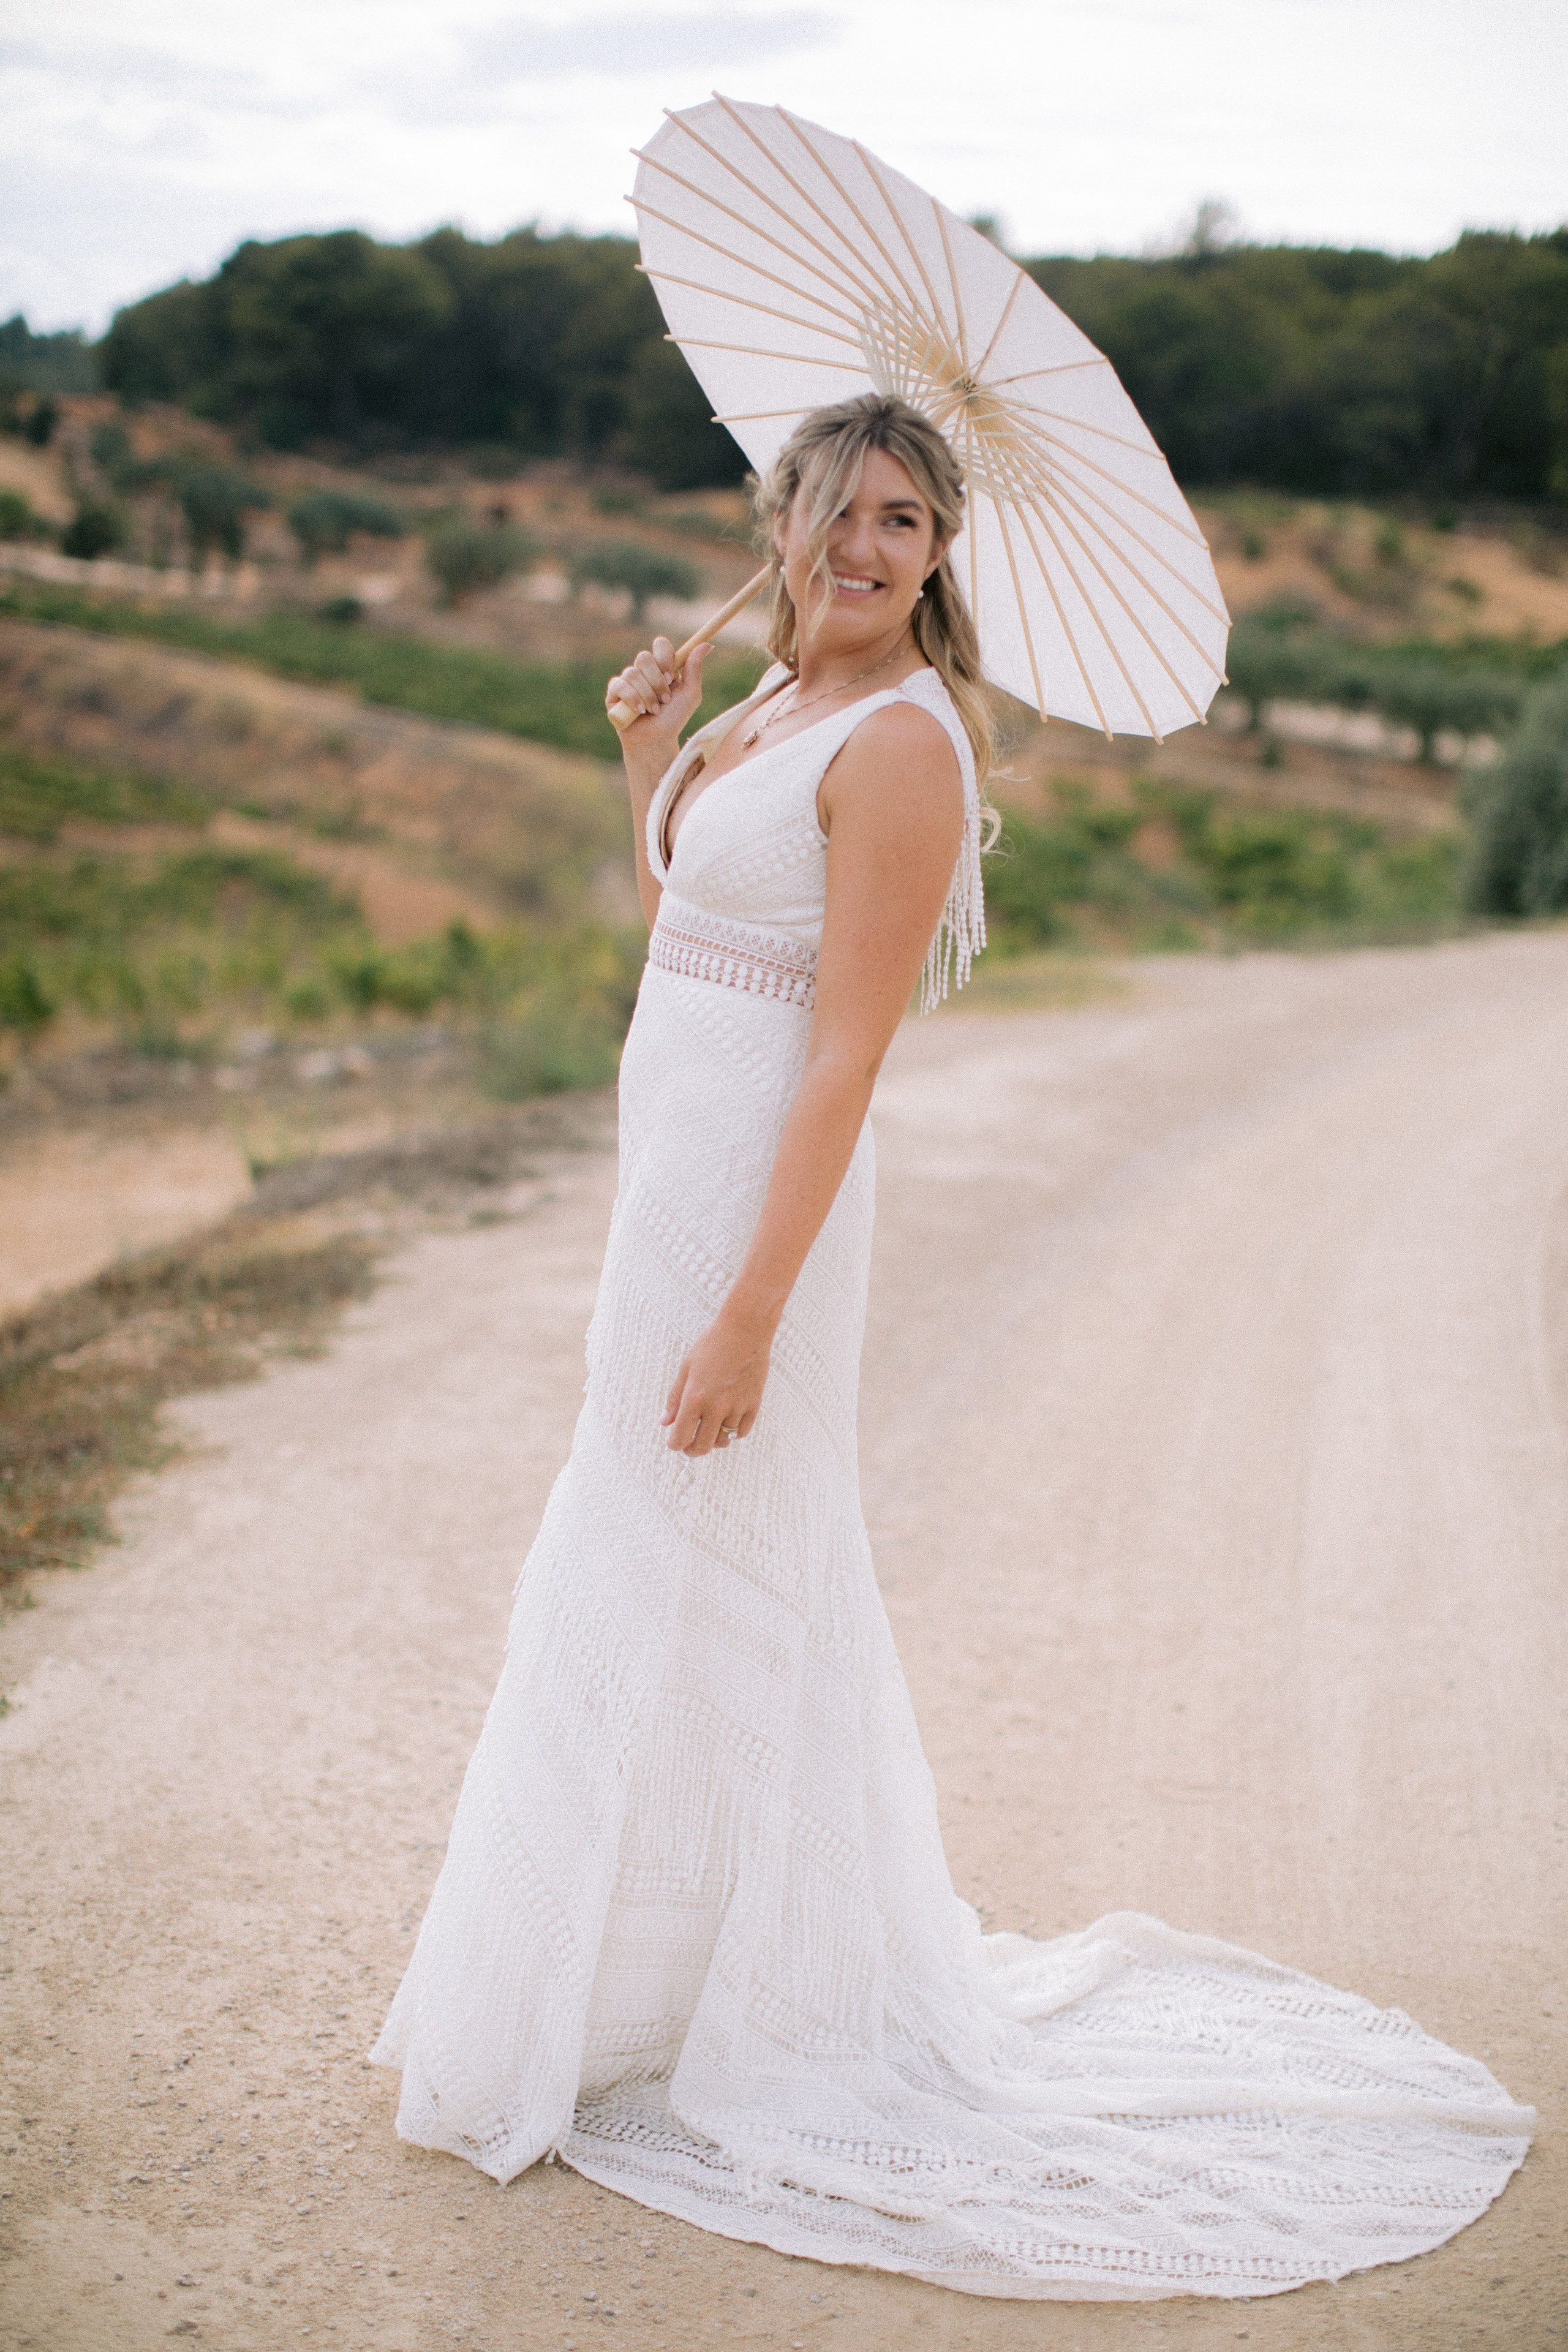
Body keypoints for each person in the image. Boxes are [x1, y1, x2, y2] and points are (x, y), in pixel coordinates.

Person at [372, 394, 1532, 2298]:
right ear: (786, 512)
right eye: (845, 508)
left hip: (760, 1226)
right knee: (650, 1560)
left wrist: (752, 1305)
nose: (873, 546)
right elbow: (695, 941)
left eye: (912, 522)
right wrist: (651, 757)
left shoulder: (907, 740)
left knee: (709, 1571)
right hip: (664, 1194)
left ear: (940, 556)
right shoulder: (757, 711)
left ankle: (729, 1997)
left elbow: (843, 1043)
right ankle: (633, 1988)